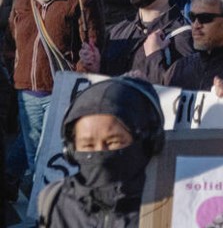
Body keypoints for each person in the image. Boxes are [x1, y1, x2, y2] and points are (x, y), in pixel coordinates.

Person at [4, 0, 104, 186]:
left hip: (61, 90)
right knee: (34, 160)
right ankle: (40, 212)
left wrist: (79, 73)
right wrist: (15, 67)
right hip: (27, 90)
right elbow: (12, 33)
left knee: (54, 160)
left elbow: (93, 42)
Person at [36, 77, 164, 227]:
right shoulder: (54, 202)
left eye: (113, 142)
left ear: (150, 142)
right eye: (88, 145)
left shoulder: (177, 203)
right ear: (70, 151)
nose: (100, 153)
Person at [93, 0, 194, 83]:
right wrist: (93, 67)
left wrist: (155, 57)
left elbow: (182, 91)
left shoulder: (183, 36)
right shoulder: (117, 31)